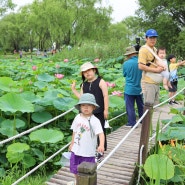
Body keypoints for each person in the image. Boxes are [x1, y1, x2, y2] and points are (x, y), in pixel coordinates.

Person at [71, 62, 108, 160]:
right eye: (84, 72)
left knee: (100, 130)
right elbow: (82, 98)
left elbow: (105, 96)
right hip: (86, 113)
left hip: (99, 110)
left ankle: (101, 150)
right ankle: (87, 150)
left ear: (94, 70)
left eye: (89, 71)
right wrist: (74, 90)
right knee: (87, 132)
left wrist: (106, 110)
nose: (87, 73)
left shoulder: (101, 82)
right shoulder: (84, 84)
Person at [68, 93, 104, 185]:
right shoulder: (77, 117)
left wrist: (101, 145)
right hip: (76, 150)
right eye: (83, 105)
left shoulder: (95, 121)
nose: (86, 108)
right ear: (80, 107)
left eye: (89, 105)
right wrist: (72, 143)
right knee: (75, 169)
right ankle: (77, 182)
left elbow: (101, 133)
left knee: (87, 171)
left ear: (94, 107)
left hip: (88, 152)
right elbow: (75, 131)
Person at [138, 29, 164, 105]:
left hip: (156, 82)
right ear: (146, 38)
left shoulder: (155, 49)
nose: (153, 40)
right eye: (151, 38)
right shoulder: (143, 50)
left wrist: (162, 67)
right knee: (148, 108)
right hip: (148, 83)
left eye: (154, 38)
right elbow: (140, 66)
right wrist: (156, 70)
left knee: (155, 107)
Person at [123, 46, 143, 128]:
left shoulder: (126, 64)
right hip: (140, 88)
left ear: (128, 55)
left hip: (129, 89)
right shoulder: (141, 62)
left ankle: (132, 122)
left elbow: (124, 74)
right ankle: (143, 120)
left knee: (130, 106)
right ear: (135, 53)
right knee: (141, 105)